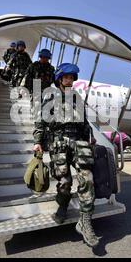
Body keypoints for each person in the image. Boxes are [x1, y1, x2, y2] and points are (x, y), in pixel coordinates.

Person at [33, 63, 99, 247]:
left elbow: (85, 121)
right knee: (64, 182)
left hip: (78, 141)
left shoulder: (77, 97)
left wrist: (90, 138)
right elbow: (40, 121)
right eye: (67, 78)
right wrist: (38, 141)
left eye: (72, 78)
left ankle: (85, 221)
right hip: (59, 142)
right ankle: (62, 206)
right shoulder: (49, 96)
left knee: (88, 178)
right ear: (60, 79)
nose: (70, 81)